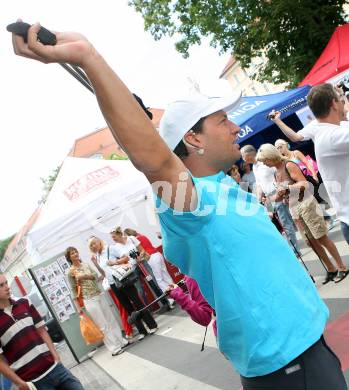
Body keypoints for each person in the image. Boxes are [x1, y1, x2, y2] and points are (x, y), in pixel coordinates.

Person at [11, 26, 347, 390]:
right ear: (193, 138)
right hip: (287, 367)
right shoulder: (188, 205)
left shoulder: (219, 183)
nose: (235, 128)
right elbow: (155, 160)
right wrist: (89, 58)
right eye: (222, 121)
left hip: (308, 343)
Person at [268, 83, 349, 246]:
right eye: (340, 99)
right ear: (333, 104)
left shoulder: (320, 126)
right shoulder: (335, 135)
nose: (343, 101)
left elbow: (296, 137)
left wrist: (277, 120)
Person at [256, 144, 349, 284]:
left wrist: (286, 187)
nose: (264, 164)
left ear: (271, 156)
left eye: (264, 160)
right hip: (294, 209)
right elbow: (282, 194)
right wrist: (272, 198)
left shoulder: (288, 165)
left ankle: (342, 267)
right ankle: (331, 269)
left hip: (306, 204)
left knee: (321, 238)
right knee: (311, 242)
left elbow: (304, 184)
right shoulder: (276, 172)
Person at [0, 273, 84, 390]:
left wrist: (56, 357)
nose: (7, 287)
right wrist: (20, 383)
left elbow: (42, 331)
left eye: (6, 283)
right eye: (1, 285)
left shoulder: (25, 303)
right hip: (34, 382)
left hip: (55, 369)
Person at [88, 236, 158, 338]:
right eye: (91, 245)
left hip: (123, 279)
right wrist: (95, 263)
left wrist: (115, 262)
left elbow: (126, 257)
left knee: (137, 301)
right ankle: (142, 331)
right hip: (113, 284)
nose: (93, 246)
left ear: (99, 242)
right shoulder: (97, 256)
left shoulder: (110, 248)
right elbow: (103, 272)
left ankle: (152, 325)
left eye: (94, 243)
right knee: (127, 307)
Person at [65, 246, 127, 356]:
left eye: (75, 251)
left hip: (99, 294)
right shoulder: (70, 272)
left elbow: (95, 275)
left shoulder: (85, 264)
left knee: (111, 319)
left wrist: (85, 276)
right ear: (69, 257)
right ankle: (113, 348)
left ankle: (121, 341)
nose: (75, 254)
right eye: (72, 253)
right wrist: (78, 308)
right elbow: (73, 291)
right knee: (102, 324)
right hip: (89, 299)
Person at [241, 144, 299, 251]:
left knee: (286, 222)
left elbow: (279, 173)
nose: (242, 158)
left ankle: (295, 250)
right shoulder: (254, 167)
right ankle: (293, 245)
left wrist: (280, 189)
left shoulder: (265, 162)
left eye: (242, 155)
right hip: (268, 198)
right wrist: (259, 199)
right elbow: (259, 184)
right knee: (282, 222)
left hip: (278, 194)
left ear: (248, 154)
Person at [110, 227, 174, 309]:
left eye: (114, 237)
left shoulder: (132, 239)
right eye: (112, 237)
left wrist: (140, 256)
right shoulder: (116, 247)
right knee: (139, 289)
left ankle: (166, 303)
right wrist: (121, 261)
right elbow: (123, 259)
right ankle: (147, 309)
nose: (113, 239)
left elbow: (142, 250)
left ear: (119, 234)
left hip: (143, 263)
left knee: (154, 282)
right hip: (132, 269)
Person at [123, 228, 175, 295]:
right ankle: (176, 291)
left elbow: (142, 252)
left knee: (159, 279)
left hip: (152, 258)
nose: (125, 239)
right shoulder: (142, 236)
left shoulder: (135, 241)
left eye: (125, 236)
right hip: (157, 254)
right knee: (165, 275)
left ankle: (171, 297)